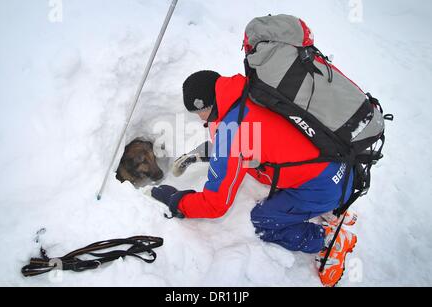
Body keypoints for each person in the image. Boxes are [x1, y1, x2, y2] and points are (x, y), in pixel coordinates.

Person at [151, 70, 358, 287]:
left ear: (206, 105)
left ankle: (327, 241)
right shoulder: (252, 90)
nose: (200, 118)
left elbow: (216, 204)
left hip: (323, 188)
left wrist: (177, 201)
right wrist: (199, 153)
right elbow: (247, 140)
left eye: (197, 112)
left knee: (262, 222)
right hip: (340, 164)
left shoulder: (234, 132)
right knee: (259, 169)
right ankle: (331, 209)